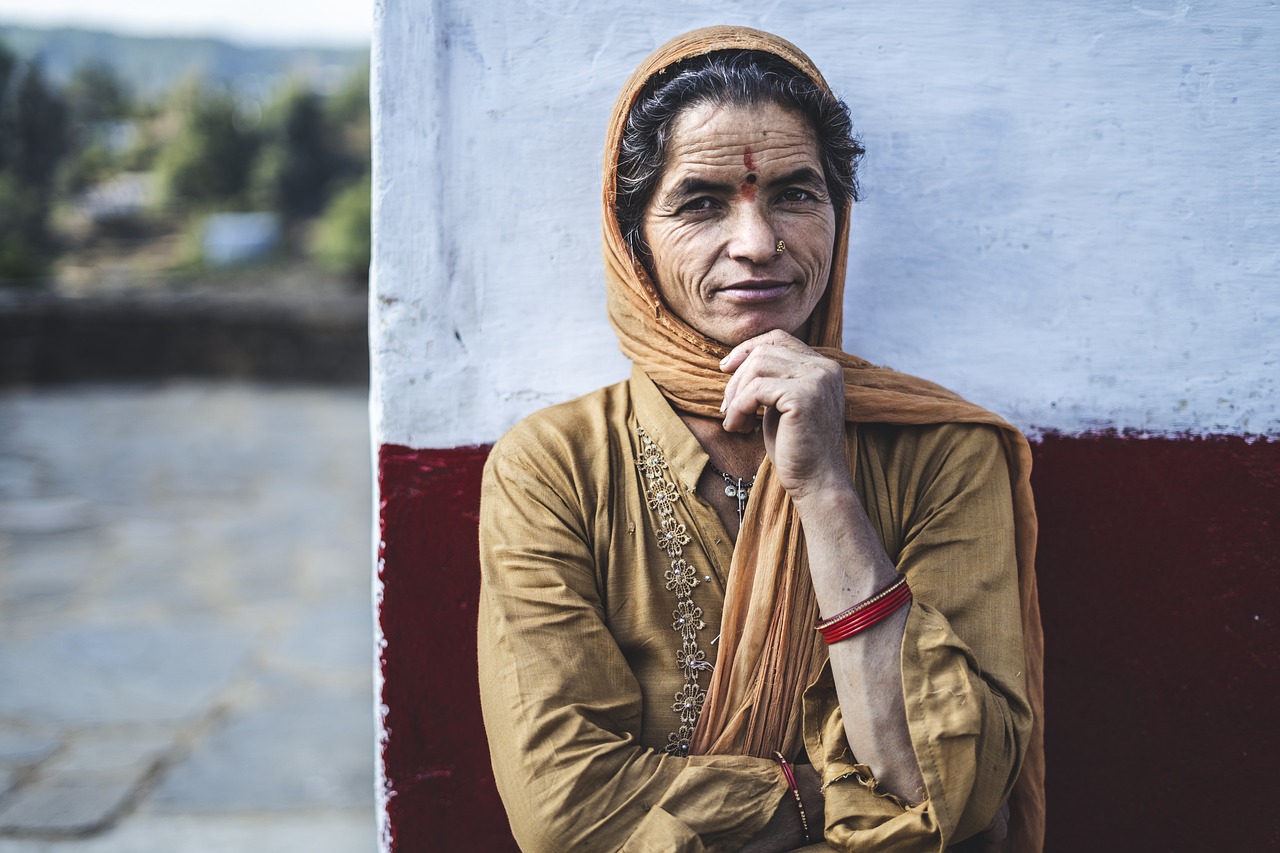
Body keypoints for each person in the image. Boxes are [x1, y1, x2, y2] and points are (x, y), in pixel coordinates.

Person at [478, 26, 1044, 853]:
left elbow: (953, 788)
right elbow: (566, 810)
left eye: (795, 193)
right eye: (702, 202)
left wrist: (825, 490)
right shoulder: (555, 467)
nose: (756, 243)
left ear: (838, 214)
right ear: (633, 235)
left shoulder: (942, 451)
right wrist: (841, 805)